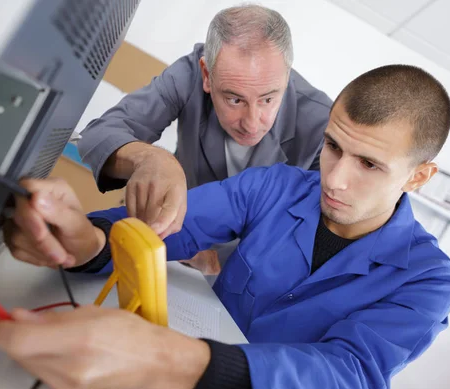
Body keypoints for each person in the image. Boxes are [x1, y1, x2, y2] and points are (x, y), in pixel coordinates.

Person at [0, 65, 450, 389]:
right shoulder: (273, 186)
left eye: (369, 165)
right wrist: (87, 241)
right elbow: (169, 227)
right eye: (333, 147)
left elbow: (350, 375)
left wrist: (167, 360)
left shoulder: (428, 280)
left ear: (419, 176)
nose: (335, 179)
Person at [77, 4, 332, 272]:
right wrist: (149, 158)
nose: (252, 122)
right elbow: (98, 135)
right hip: (166, 240)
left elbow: (308, 234)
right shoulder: (189, 74)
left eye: (268, 99)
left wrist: (219, 261)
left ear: (286, 75)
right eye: (234, 99)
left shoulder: (321, 124)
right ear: (207, 75)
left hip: (243, 272)